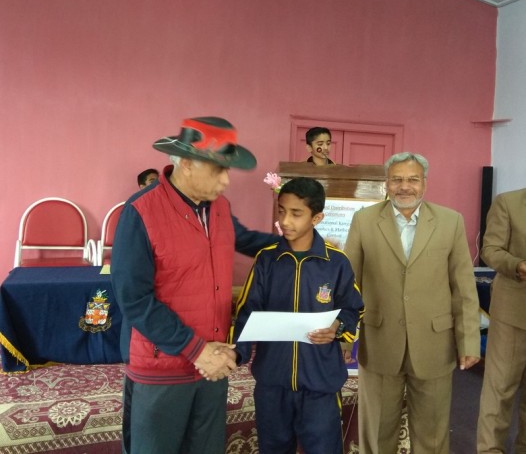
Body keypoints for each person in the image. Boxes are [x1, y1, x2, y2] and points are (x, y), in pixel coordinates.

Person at [112, 116, 277, 454]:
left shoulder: (219, 208)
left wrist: (301, 243)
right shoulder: (141, 211)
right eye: (218, 170)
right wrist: (197, 350)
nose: (226, 181)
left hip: (212, 367)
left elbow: (246, 239)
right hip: (164, 369)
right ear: (186, 163)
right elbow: (134, 300)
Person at [344, 151, 480, 454]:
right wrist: (343, 336)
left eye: (412, 180)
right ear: (386, 183)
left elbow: (464, 289)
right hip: (380, 343)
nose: (405, 187)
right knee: (377, 434)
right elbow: (350, 284)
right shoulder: (364, 220)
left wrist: (469, 341)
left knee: (432, 436)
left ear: (425, 183)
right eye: (397, 180)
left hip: (434, 344)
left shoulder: (450, 221)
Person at [232, 176, 364, 454]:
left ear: (317, 218)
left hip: (320, 383)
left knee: (324, 449)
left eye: (296, 213)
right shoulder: (267, 259)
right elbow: (247, 312)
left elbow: (354, 308)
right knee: (274, 448)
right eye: (281, 211)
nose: (285, 221)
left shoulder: (336, 263)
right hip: (272, 382)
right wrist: (236, 355)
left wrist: (339, 327)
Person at [477, 188, 526, 453]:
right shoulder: (509, 202)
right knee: (500, 389)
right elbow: (491, 249)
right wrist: (518, 265)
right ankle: (490, 449)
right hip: (513, 312)